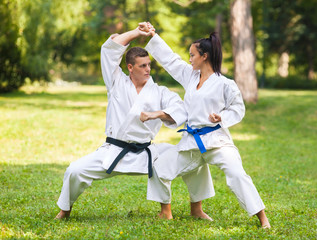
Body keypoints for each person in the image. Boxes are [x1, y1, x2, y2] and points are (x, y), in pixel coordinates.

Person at [55, 23, 215, 219]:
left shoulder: (159, 91)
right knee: (74, 170)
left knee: (193, 157)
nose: (148, 69)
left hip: (147, 152)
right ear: (130, 67)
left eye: (149, 65)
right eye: (143, 66)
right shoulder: (115, 82)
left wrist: (157, 114)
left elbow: (180, 109)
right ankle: (65, 210)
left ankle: (197, 209)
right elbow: (109, 50)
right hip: (114, 151)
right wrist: (137, 33)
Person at [141, 22, 271, 228]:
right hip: (191, 142)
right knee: (160, 168)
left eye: (192, 55)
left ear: (205, 56)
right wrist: (153, 36)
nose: (189, 59)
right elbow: (171, 60)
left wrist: (222, 117)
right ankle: (169, 212)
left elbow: (238, 109)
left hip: (217, 142)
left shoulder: (225, 83)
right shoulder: (190, 76)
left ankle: (262, 217)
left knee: (236, 174)